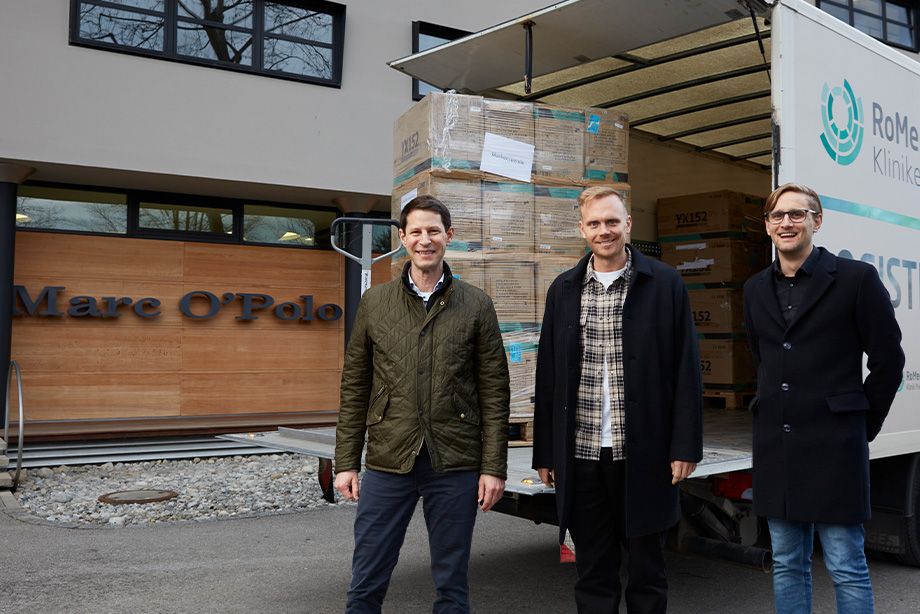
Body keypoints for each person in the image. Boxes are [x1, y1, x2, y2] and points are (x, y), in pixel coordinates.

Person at [334, 194, 510, 614]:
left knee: (451, 579)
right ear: (402, 238)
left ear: (449, 236)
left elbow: (494, 389)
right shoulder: (376, 302)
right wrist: (345, 462)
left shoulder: (476, 304)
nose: (425, 240)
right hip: (388, 456)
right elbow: (355, 383)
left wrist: (492, 467)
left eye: (434, 231)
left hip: (454, 460)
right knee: (368, 572)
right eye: (416, 231)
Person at [532, 185, 703, 613]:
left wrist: (685, 445)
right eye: (594, 223)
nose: (604, 230)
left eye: (612, 221)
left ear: (628, 224)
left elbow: (686, 369)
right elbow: (549, 373)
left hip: (643, 453)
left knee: (647, 571)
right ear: (582, 229)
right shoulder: (565, 289)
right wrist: (546, 451)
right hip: (584, 454)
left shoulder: (663, 283)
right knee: (593, 571)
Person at [743, 183, 904, 614]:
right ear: (767, 226)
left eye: (798, 214)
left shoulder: (855, 279)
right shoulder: (755, 289)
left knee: (846, 564)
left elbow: (889, 360)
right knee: (787, 564)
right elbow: (763, 358)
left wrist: (860, 424)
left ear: (817, 220)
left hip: (836, 445)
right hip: (778, 444)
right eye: (778, 216)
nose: (787, 223)